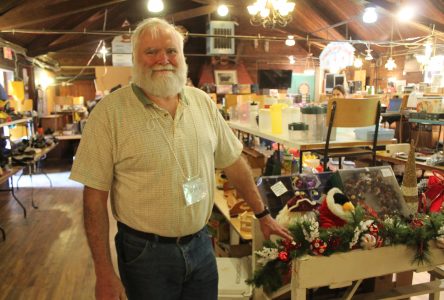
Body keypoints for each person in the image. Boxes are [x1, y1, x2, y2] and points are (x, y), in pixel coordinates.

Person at [70, 17, 292, 300]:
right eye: (151, 52)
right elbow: (94, 199)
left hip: (201, 244)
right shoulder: (109, 113)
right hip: (144, 254)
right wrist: (103, 272)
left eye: (171, 51)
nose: (163, 59)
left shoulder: (202, 103)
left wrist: (263, 214)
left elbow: (234, 162)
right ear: (135, 59)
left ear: (182, 57)